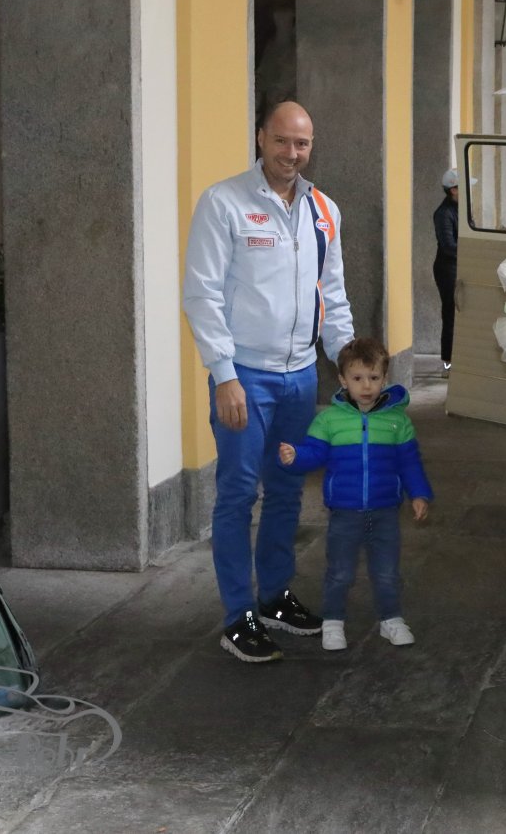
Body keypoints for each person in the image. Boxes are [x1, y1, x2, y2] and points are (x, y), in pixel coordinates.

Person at [183, 101, 354, 664]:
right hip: (245, 378)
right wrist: (224, 375)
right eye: (281, 141)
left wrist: (348, 365)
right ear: (261, 138)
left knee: (286, 490)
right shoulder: (224, 202)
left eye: (301, 144)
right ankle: (239, 616)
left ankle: (275, 595)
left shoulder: (324, 210)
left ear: (311, 147)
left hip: (300, 377)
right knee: (237, 494)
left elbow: (331, 294)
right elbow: (202, 294)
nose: (291, 153)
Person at [278, 337, 433, 651]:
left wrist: (419, 493)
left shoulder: (397, 421)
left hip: (385, 510)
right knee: (340, 571)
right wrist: (296, 456)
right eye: (358, 378)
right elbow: (315, 453)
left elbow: (409, 462)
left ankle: (391, 620)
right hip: (344, 511)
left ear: (384, 379)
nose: (366, 386)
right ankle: (333, 622)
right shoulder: (329, 421)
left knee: (387, 571)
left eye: (374, 377)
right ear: (342, 380)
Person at [433, 169, 459, 374]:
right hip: (447, 269)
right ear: (453, 190)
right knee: (450, 312)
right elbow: (449, 246)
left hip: (458, 266)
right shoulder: (443, 213)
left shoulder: (460, 210)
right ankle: (448, 363)